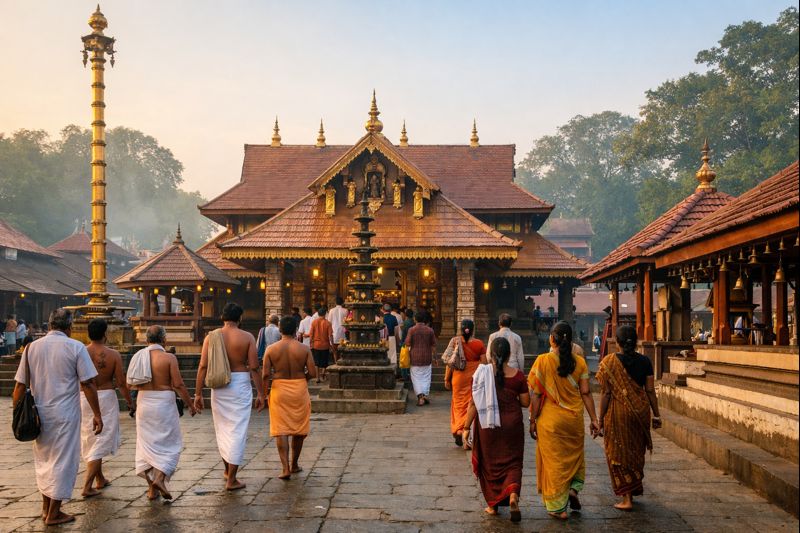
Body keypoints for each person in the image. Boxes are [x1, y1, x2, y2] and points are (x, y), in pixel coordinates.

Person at [12, 309, 103, 525]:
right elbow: (88, 383)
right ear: (69, 327)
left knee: (45, 462)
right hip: (65, 414)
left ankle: (47, 507)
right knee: (63, 462)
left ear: (50, 324)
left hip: (39, 414)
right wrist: (97, 414)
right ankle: (53, 512)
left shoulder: (32, 347)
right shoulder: (75, 347)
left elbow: (19, 384)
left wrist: (16, 413)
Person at [529, 321, 600, 520]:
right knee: (575, 458)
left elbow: (535, 395)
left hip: (550, 422)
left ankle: (557, 508)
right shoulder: (581, 363)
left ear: (552, 339)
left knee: (554, 464)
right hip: (574, 420)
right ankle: (574, 490)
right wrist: (594, 419)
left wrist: (532, 420)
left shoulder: (542, 361)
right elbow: (586, 393)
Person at [194, 303, 265, 491]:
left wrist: (198, 393)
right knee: (237, 430)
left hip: (219, 386)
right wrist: (261, 393)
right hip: (240, 384)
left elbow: (202, 366)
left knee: (223, 429)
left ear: (222, 317)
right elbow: (254, 367)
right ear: (239, 318)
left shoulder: (212, 337)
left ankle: (228, 470)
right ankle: (231, 479)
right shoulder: (247, 337)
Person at [462, 337, 530, 522]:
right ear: (509, 355)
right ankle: (513, 495)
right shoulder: (518, 376)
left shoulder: (481, 374)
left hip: (489, 426)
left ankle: (493, 505)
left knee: (490, 464)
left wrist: (466, 428)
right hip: (513, 426)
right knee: (514, 463)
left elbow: (473, 404)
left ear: (490, 354)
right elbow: (525, 402)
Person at [596, 325, 662, 511]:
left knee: (618, 453)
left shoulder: (609, 362)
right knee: (635, 452)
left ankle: (627, 498)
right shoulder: (645, 361)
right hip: (640, 412)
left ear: (617, 343)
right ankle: (632, 490)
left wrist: (600, 420)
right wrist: (656, 414)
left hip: (618, 413)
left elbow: (606, 394)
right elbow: (650, 391)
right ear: (636, 342)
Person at [132, 325, 196, 501]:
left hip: (144, 402)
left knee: (146, 445)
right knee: (168, 444)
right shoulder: (168, 358)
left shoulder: (138, 357)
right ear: (164, 339)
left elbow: (133, 383)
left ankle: (152, 490)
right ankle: (159, 479)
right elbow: (178, 384)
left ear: (147, 340)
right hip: (163, 404)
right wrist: (190, 404)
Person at [81, 318, 133, 498]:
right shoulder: (113, 355)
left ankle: (99, 478)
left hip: (84, 397)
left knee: (90, 437)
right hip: (105, 396)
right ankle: (87, 486)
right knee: (101, 440)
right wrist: (129, 401)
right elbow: (120, 382)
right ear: (105, 333)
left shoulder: (81, 352)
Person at [263, 316, 317, 479]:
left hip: (279, 388)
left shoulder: (271, 349)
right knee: (299, 430)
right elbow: (313, 373)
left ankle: (285, 468)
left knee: (281, 430)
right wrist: (302, 379)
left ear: (280, 330)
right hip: (299, 388)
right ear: (295, 330)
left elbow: (265, 374)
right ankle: (294, 464)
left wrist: (265, 393)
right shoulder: (304, 349)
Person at [445, 319, 487, 446]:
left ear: (460, 329)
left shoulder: (454, 341)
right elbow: (484, 363)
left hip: (458, 378)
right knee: (471, 404)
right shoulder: (479, 344)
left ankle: (458, 430)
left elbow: (450, 363)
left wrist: (447, 379)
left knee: (458, 406)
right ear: (473, 329)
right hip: (474, 378)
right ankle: (467, 432)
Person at [405, 310, 437, 406]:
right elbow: (434, 345)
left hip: (414, 356)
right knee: (426, 377)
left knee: (416, 378)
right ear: (424, 320)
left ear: (415, 319)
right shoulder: (430, 330)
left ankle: (420, 397)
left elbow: (407, 343)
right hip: (427, 356)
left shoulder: (412, 330)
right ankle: (424, 395)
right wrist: (435, 358)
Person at [308, 306, 334, 382]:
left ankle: (318, 378)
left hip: (316, 345)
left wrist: (311, 343)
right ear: (325, 314)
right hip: (325, 345)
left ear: (318, 314)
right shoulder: (328, 323)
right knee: (325, 361)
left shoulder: (314, 322)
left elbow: (311, 334)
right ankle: (323, 373)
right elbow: (330, 336)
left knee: (316, 362)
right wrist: (331, 345)